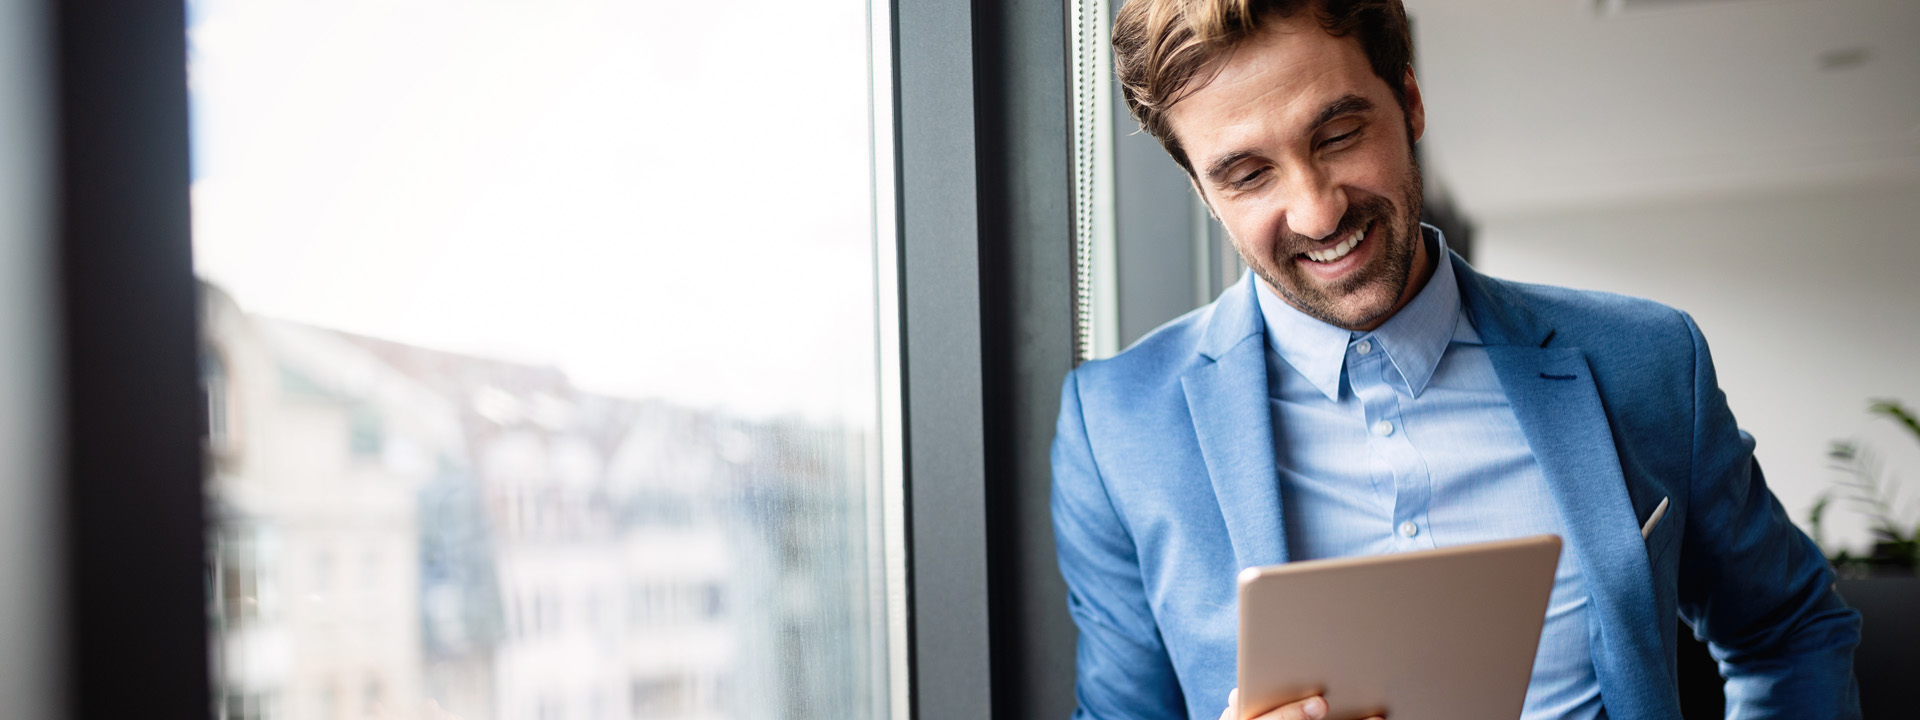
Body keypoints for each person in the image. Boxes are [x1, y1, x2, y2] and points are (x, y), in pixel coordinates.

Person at [1048, 1, 1861, 719]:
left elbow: (1789, 629)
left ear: (1409, 100)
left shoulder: (1644, 362)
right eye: (1248, 174)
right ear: (1201, 190)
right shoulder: (1117, 429)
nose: (1317, 209)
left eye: (1338, 134)